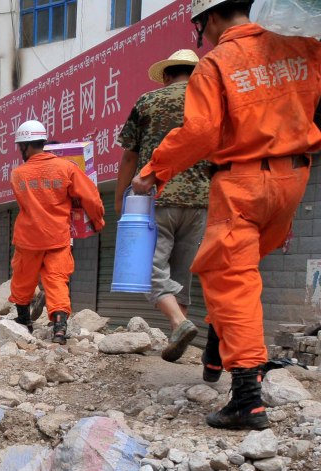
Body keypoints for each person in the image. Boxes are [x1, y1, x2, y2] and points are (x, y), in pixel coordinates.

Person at [132, 0, 321, 430]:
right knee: (236, 270)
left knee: (231, 279)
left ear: (210, 18)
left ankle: (247, 399)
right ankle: (218, 343)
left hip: (242, 182)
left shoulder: (217, 63)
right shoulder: (301, 46)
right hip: (293, 179)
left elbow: (200, 132)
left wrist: (153, 171)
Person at [117, 48, 211, 363]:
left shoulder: (148, 101)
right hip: (199, 199)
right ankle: (177, 331)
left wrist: (119, 198)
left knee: (148, 268)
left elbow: (129, 155)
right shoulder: (209, 102)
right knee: (181, 272)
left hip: (156, 195)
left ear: (167, 75)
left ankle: (178, 322)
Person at [8, 119, 106, 344]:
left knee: (23, 278)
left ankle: (23, 320)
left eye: (20, 146)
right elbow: (91, 197)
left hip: (27, 239)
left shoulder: (17, 174)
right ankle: (59, 329)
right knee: (57, 280)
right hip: (57, 237)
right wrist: (97, 220)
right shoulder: (67, 168)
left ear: (25, 145)